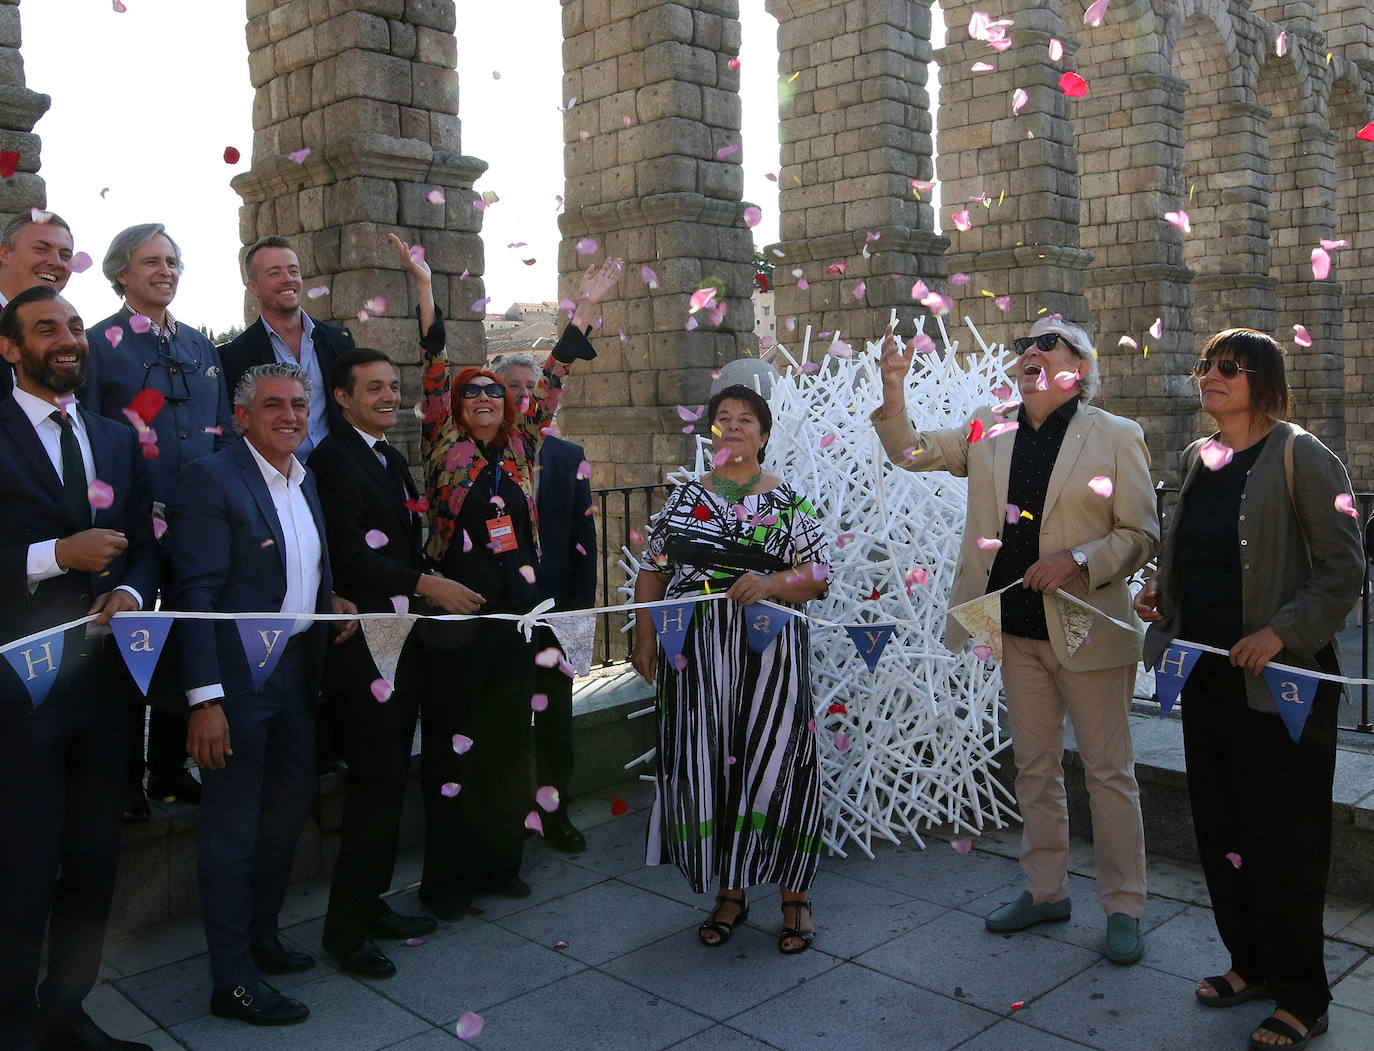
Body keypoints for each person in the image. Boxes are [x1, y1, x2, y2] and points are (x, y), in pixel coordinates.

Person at [872, 316, 1159, 965]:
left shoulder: (1116, 435)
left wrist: (1078, 561)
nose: (1030, 351)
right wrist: (895, 394)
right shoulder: (987, 425)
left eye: (1046, 343)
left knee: (1109, 774)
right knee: (1034, 767)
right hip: (1015, 630)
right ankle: (1046, 889)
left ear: (1078, 366)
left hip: (1088, 632)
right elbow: (912, 451)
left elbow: (1140, 531)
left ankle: (1124, 904)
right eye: (1024, 345)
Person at [1136, 328, 1362, 1051]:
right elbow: (1193, 561)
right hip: (1203, 673)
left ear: (1263, 378)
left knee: (1285, 838)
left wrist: (1282, 633)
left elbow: (1342, 568)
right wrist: (1160, 597)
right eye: (1205, 365)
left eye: (1227, 367)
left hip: (1281, 686)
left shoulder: (1303, 455)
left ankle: (1303, 993)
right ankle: (1250, 963)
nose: (1210, 376)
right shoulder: (1197, 459)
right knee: (1223, 829)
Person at [411, 235, 621, 920]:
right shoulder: (444, 447)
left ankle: (502, 863)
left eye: (492, 395)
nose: (482, 400)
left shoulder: (525, 451)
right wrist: (421, 288)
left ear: (508, 407)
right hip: (456, 620)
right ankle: (449, 880)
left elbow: (556, 373)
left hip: (513, 617)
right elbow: (434, 360)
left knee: (506, 747)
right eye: (469, 394)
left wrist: (583, 310)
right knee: (454, 753)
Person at [163, 362, 358, 1027]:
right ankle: (232, 978)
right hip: (236, 680)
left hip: (295, 671)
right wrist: (205, 699)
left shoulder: (301, 480)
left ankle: (261, 936)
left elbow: (286, 567)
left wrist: (324, 598)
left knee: (285, 811)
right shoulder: (210, 478)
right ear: (242, 415)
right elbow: (197, 597)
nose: (291, 414)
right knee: (233, 829)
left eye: (300, 404)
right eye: (273, 404)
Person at [0, 286, 158, 1051]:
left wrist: (130, 586)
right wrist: (53, 557)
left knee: (95, 859)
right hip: (18, 692)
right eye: (44, 328)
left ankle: (69, 1012)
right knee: (21, 861)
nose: (66, 338)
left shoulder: (115, 437)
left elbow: (147, 542)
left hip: (104, 688)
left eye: (71, 325)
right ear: (10, 348)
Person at [632, 383, 831, 954]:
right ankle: (731, 892)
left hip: (770, 657)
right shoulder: (682, 500)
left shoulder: (789, 501)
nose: (736, 426)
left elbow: (819, 577)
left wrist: (771, 583)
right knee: (712, 766)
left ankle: (796, 895)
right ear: (713, 432)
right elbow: (653, 572)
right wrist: (647, 637)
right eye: (725, 417)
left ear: (764, 436)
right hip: (696, 657)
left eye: (748, 419)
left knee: (780, 763)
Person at [308, 344, 482, 978]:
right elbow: (351, 556)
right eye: (373, 388)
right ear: (343, 398)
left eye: (392, 386)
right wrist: (428, 585)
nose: (388, 396)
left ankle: (370, 906)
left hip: (399, 636)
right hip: (365, 649)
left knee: (387, 781)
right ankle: (344, 932)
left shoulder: (386, 455)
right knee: (376, 784)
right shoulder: (334, 460)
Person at [83, 222, 236, 819]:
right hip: (128, 520)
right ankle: (120, 780)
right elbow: (94, 430)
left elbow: (222, 428)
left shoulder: (202, 347)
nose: (165, 271)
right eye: (150, 262)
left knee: (187, 632)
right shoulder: (99, 343)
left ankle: (169, 766)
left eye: (171, 261)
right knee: (124, 644)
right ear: (121, 272)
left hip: (197, 517)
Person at [493, 352, 597, 853]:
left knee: (556, 721)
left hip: (555, 615)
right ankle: (508, 820)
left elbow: (584, 538)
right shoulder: (478, 455)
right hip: (502, 617)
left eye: (531, 385)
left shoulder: (569, 455)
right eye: (511, 386)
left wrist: (579, 614)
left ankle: (557, 816)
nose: (523, 394)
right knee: (504, 722)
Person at [219, 235, 356, 461]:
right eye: (274, 273)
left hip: (340, 477)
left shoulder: (339, 341)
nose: (288, 279)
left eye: (293, 271)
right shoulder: (233, 357)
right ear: (252, 287)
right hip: (276, 482)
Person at [0, 211, 76, 400]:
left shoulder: (74, 340)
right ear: (4, 254)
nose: (56, 262)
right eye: (41, 249)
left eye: (65, 255)